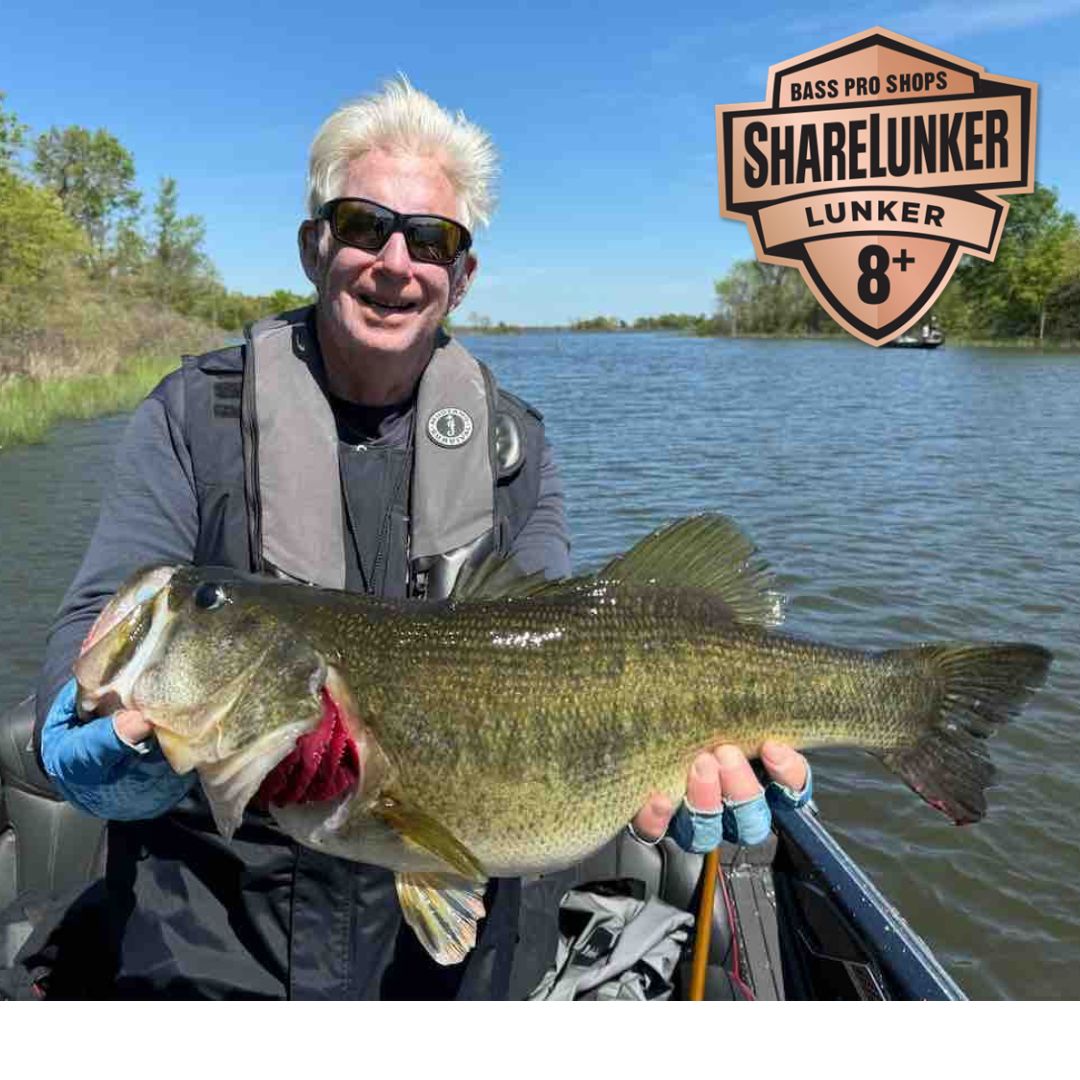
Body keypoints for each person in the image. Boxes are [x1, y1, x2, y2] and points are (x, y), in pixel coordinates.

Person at [28, 78, 810, 999]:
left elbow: (567, 656)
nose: (395, 263)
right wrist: (117, 756)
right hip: (217, 944)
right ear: (315, 247)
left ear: (461, 277)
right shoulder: (191, 419)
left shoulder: (516, 448)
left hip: (463, 974)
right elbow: (89, 638)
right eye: (364, 225)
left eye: (431, 239)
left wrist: (662, 773)